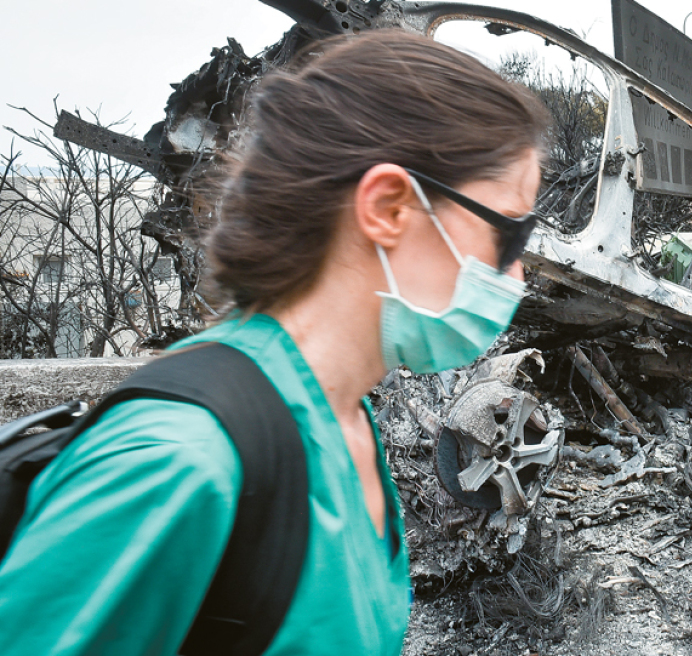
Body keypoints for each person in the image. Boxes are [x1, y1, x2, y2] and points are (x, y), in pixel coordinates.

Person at [0, 29, 549, 655]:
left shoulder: (347, 422)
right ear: (390, 207)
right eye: (508, 237)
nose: (517, 275)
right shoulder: (179, 460)